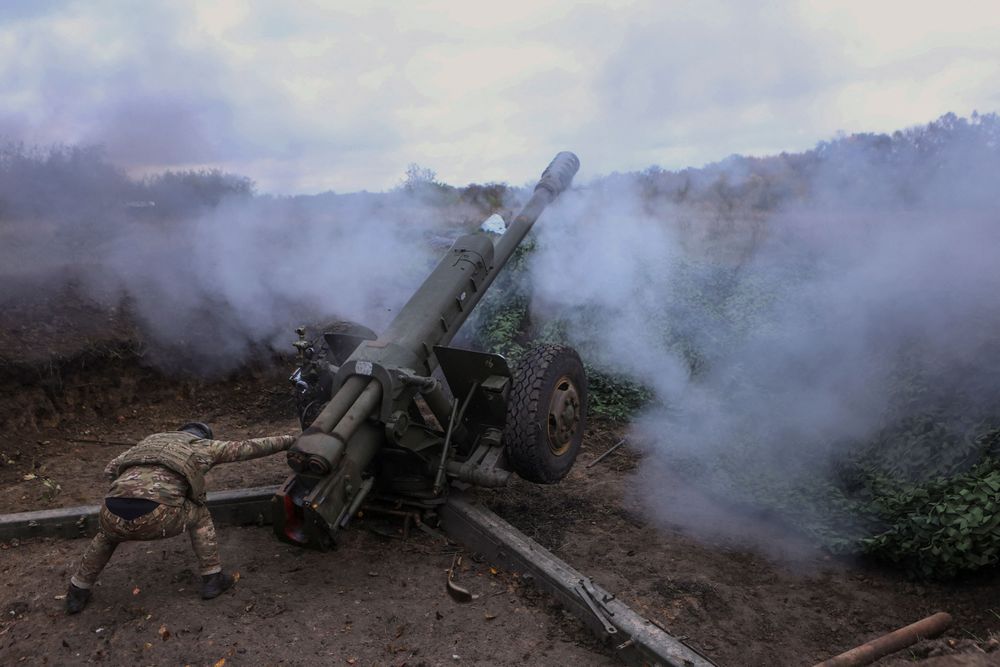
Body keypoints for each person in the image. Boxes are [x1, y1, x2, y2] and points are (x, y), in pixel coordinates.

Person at [65, 422, 296, 614]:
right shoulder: (202, 447)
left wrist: (132, 489)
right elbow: (249, 447)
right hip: (158, 515)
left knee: (106, 536)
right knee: (200, 515)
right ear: (201, 437)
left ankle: (77, 591)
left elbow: (110, 469)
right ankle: (212, 579)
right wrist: (290, 440)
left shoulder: (147, 442)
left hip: (111, 511)